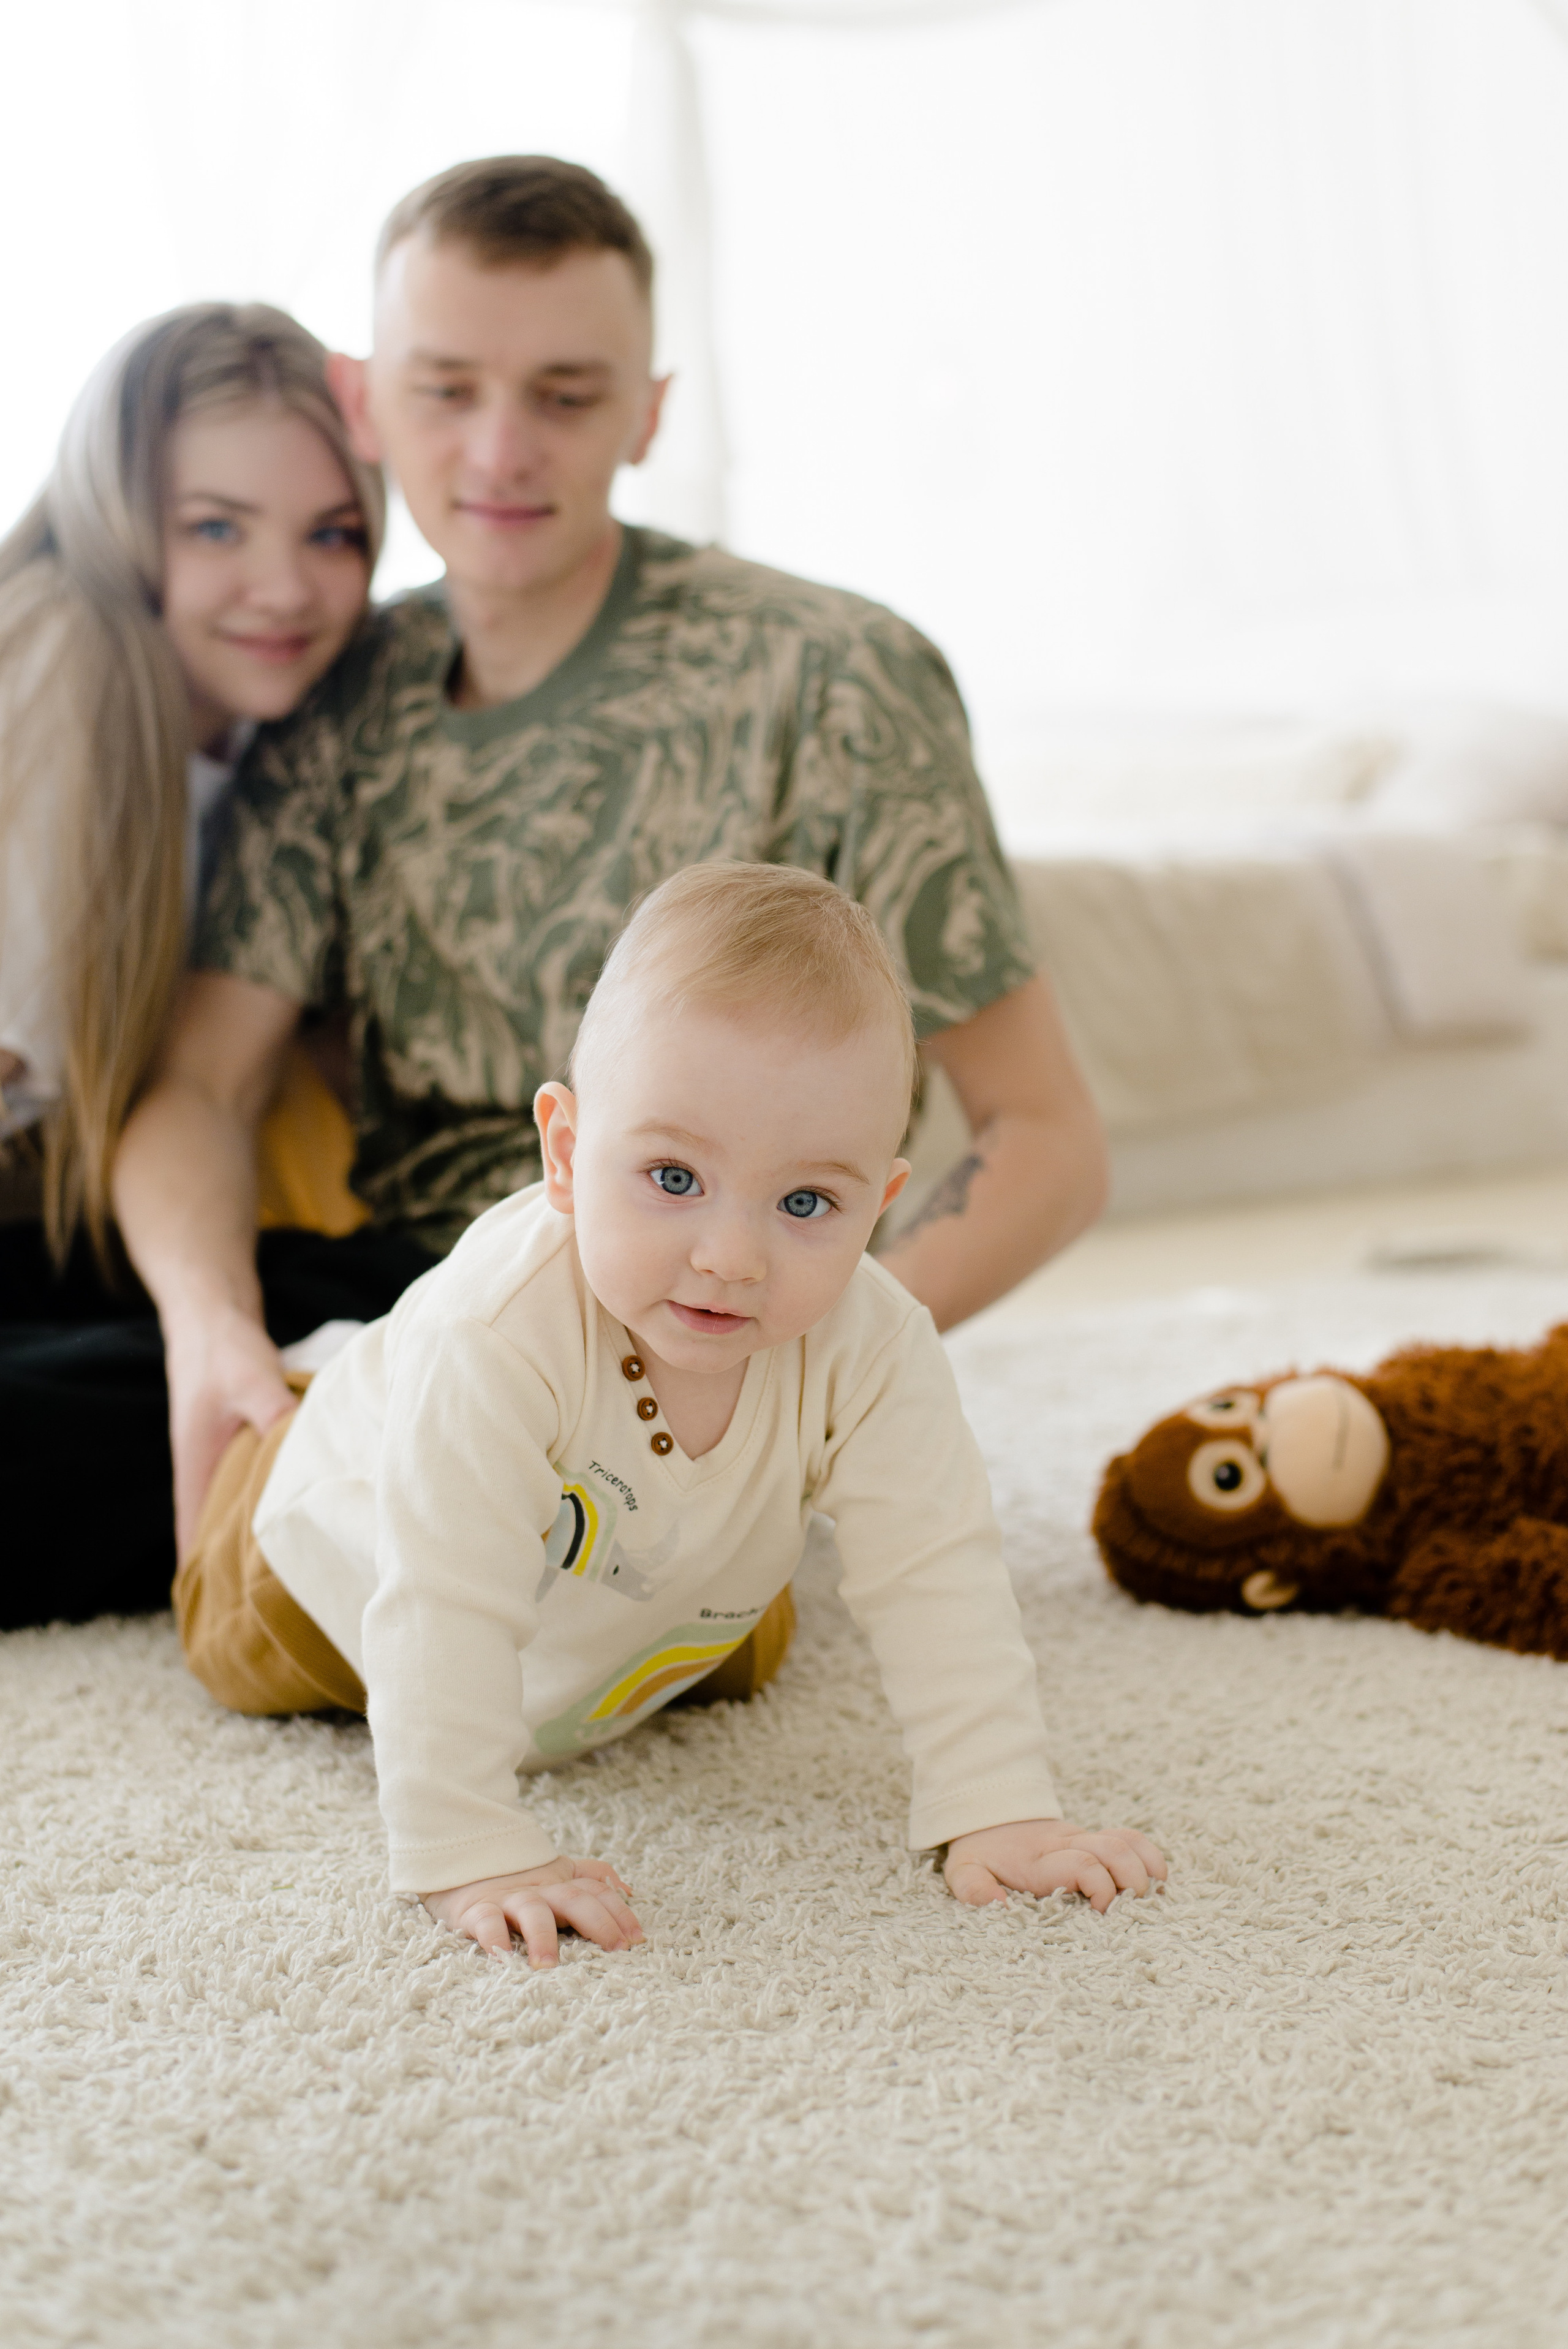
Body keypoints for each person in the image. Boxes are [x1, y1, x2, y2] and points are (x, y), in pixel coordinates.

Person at [114, 156, 1109, 1633]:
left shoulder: (829, 676)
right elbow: (199, 1085)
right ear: (367, 398)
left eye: (566, 396)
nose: (502, 449)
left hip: (652, 1349)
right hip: (407, 1294)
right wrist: (209, 1335)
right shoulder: (340, 688)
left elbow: (1046, 1138)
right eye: (447, 389)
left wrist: (780, 1366)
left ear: (648, 411)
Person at [173, 863, 1163, 1964]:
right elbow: (439, 1599)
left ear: (877, 1206)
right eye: (673, 1177)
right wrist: (471, 1846)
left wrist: (999, 1804)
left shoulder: (874, 1342)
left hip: (638, 1599)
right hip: (334, 1577)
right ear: (564, 1151)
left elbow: (940, 1565)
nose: (730, 1258)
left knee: (759, 1623)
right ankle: (316, 1390)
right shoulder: (496, 1333)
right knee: (246, 1619)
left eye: (804, 1203)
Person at [0, 303, 387, 1624]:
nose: (282, 589)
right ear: (125, 520)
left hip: (54, 1203)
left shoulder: (268, 739)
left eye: (330, 534)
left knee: (351, 1318)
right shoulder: (59, 659)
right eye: (215, 527)